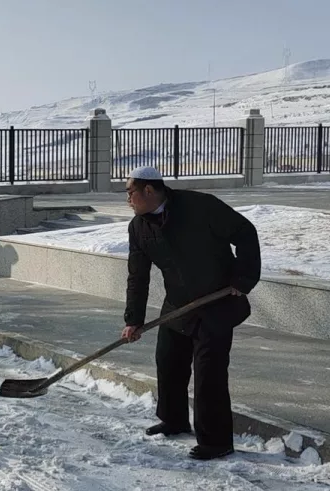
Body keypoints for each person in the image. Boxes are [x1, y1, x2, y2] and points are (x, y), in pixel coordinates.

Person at [120, 166, 261, 461]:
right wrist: (133, 319)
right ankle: (174, 420)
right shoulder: (139, 227)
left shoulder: (200, 206)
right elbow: (138, 276)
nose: (127, 199)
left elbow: (245, 232)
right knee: (168, 361)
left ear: (148, 190)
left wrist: (243, 279)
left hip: (217, 302)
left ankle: (216, 441)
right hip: (178, 305)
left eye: (129, 192)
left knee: (209, 374)